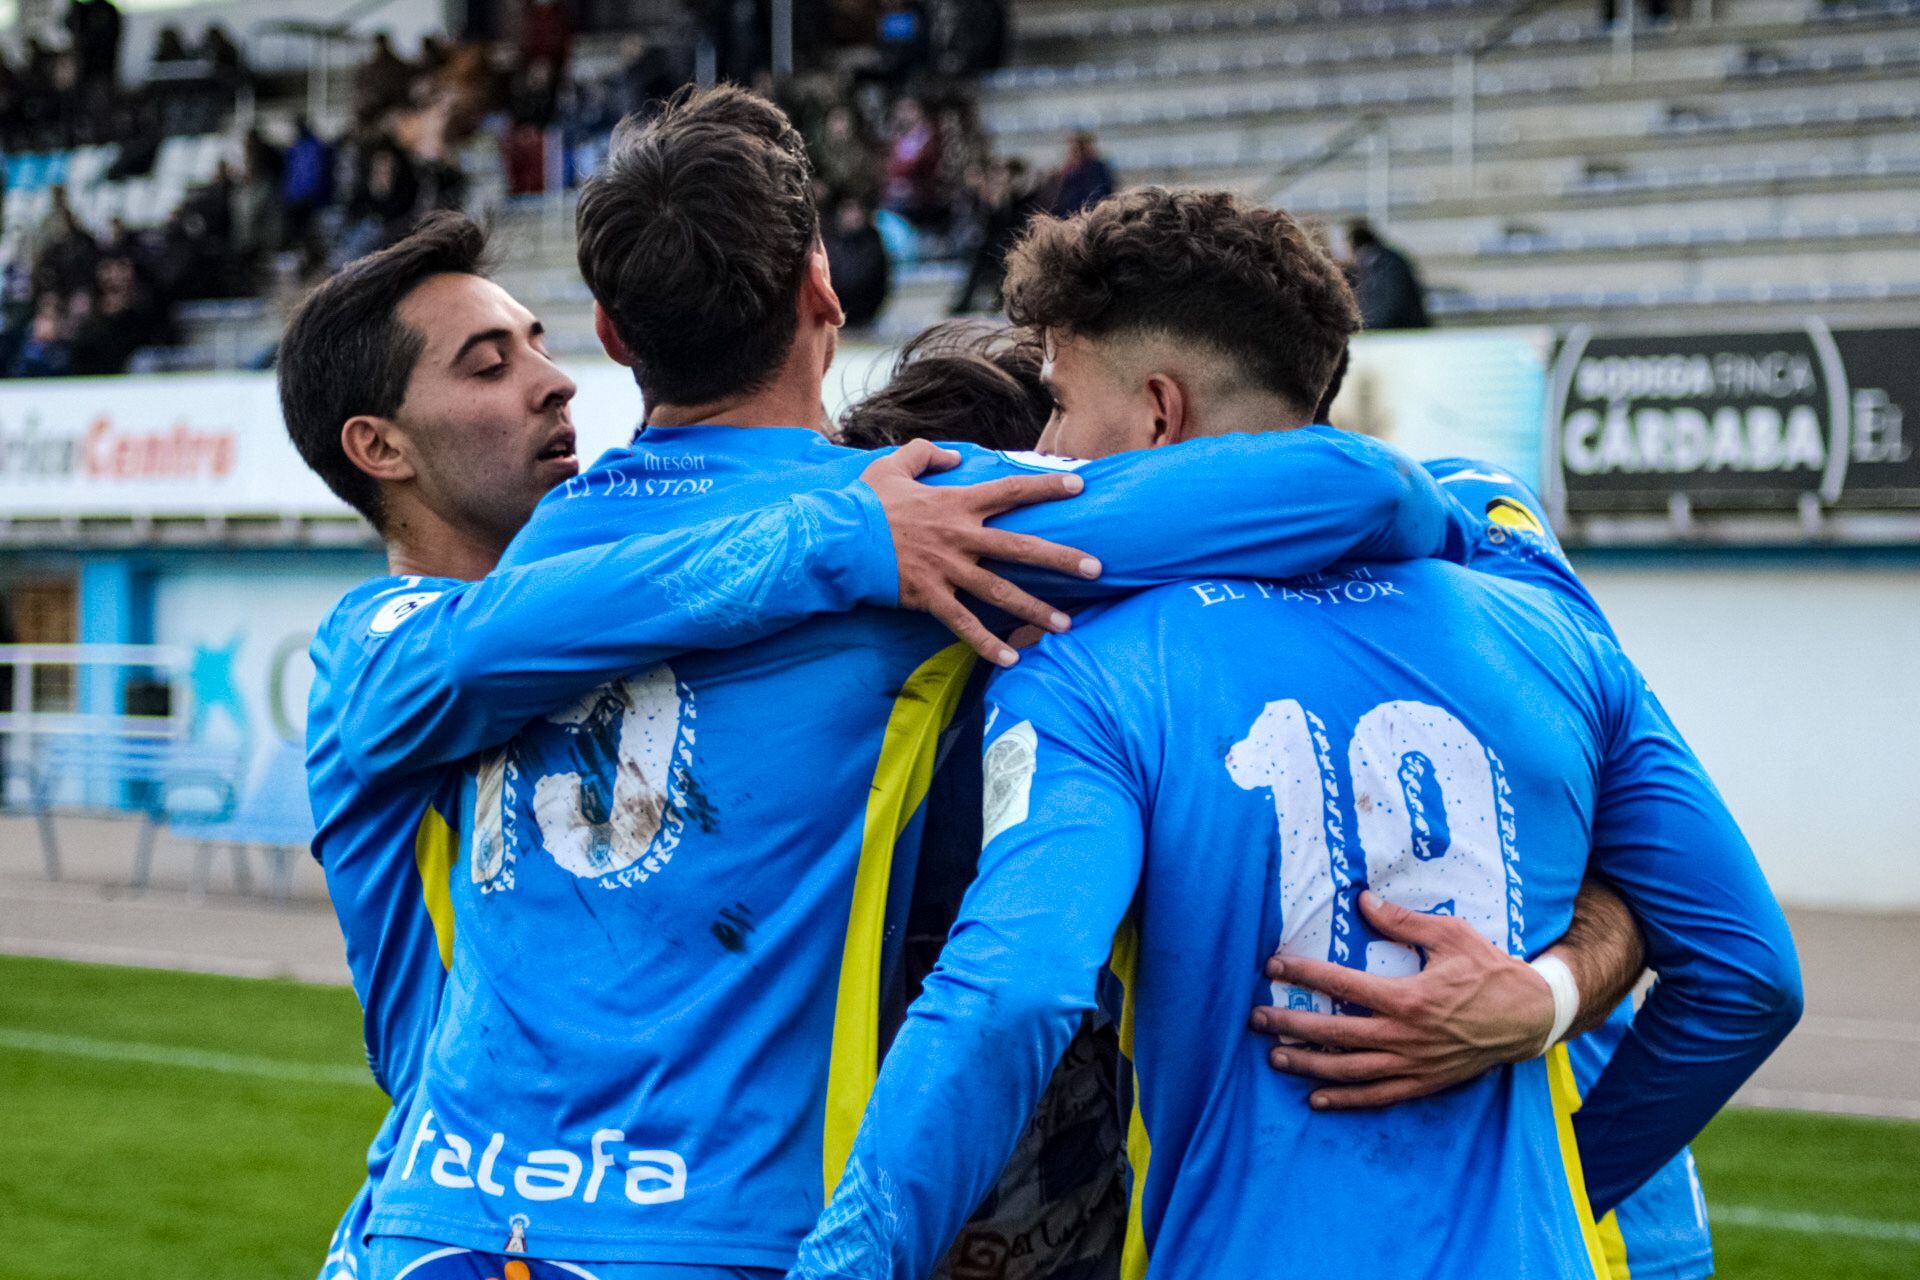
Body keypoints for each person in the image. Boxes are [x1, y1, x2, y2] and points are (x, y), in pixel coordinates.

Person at [356, 86, 1635, 1280]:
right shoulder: (928, 519)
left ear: (614, 334)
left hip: (445, 1215)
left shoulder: (514, 571)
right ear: (824, 291)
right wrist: (1486, 513)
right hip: (710, 1219)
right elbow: (1347, 484)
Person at [789, 190, 1801, 1280]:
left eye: (1058, 405)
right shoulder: (1524, 599)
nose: (1043, 453)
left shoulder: (1091, 666)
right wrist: (1561, 1123)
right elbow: (1746, 969)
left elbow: (1015, 992)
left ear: (1160, 414)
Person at [279, 212, 1099, 1280]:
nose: (553, 379)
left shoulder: (635, 586)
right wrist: (836, 528)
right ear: (379, 446)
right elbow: (500, 644)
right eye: (491, 364)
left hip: (581, 1215)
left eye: (539, 339)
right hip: (460, 1210)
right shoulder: (379, 652)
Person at [1345, 218, 1430, 331]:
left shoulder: (1387, 265)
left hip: (1402, 335)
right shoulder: (1366, 266)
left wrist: (1364, 328)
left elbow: (1387, 309)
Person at [822, 197, 890, 328]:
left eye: (854, 212)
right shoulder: (831, 241)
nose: (851, 217)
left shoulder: (872, 243)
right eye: (847, 212)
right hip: (835, 313)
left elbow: (868, 278)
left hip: (864, 313)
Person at [1047, 130, 1114, 218]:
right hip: (1072, 217)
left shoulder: (1096, 170)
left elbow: (1098, 195)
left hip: (1087, 216)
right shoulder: (1070, 171)